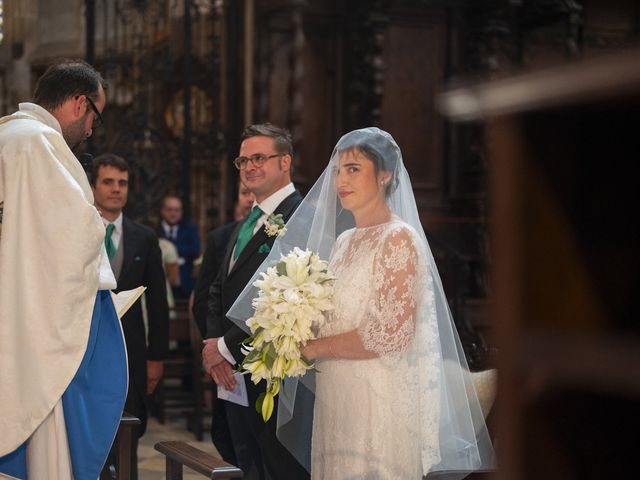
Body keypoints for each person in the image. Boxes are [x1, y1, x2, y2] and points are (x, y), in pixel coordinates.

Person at [227, 127, 495, 479]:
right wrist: (290, 321)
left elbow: (389, 334)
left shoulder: (399, 238)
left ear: (384, 175)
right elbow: (336, 314)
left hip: (378, 402)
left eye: (353, 168)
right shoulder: (345, 241)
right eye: (338, 170)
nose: (341, 180)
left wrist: (310, 347)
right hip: (337, 398)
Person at [0, 60, 127, 479]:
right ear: (78, 103)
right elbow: (78, 236)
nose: (91, 129)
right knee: (43, 443)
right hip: (33, 323)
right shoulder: (41, 144)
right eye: (96, 115)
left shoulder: (6, 135)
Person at [203, 123, 308, 480]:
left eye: (259, 158)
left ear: (285, 162)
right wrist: (215, 344)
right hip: (235, 371)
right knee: (247, 464)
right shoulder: (249, 220)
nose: (249, 166)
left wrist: (224, 347)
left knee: (277, 469)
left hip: (275, 373)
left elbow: (283, 299)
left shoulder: (299, 216)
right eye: (243, 160)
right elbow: (219, 287)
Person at [91, 153, 170, 480]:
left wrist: (157, 357)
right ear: (93, 185)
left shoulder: (145, 237)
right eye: (108, 182)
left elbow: (158, 303)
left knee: (128, 439)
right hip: (86, 351)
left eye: (122, 183)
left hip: (131, 355)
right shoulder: (77, 231)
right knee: (89, 438)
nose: (116, 189)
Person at [191, 179, 255, 465]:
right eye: (244, 192)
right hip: (223, 354)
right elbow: (205, 299)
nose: (250, 198)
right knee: (227, 432)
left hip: (256, 353)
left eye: (254, 192)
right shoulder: (222, 238)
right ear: (236, 199)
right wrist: (215, 351)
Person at [157, 195, 201, 299]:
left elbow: (195, 250)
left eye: (177, 210)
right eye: (170, 210)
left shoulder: (190, 229)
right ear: (163, 211)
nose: (173, 213)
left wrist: (170, 249)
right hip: (162, 283)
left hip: (185, 283)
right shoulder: (154, 230)